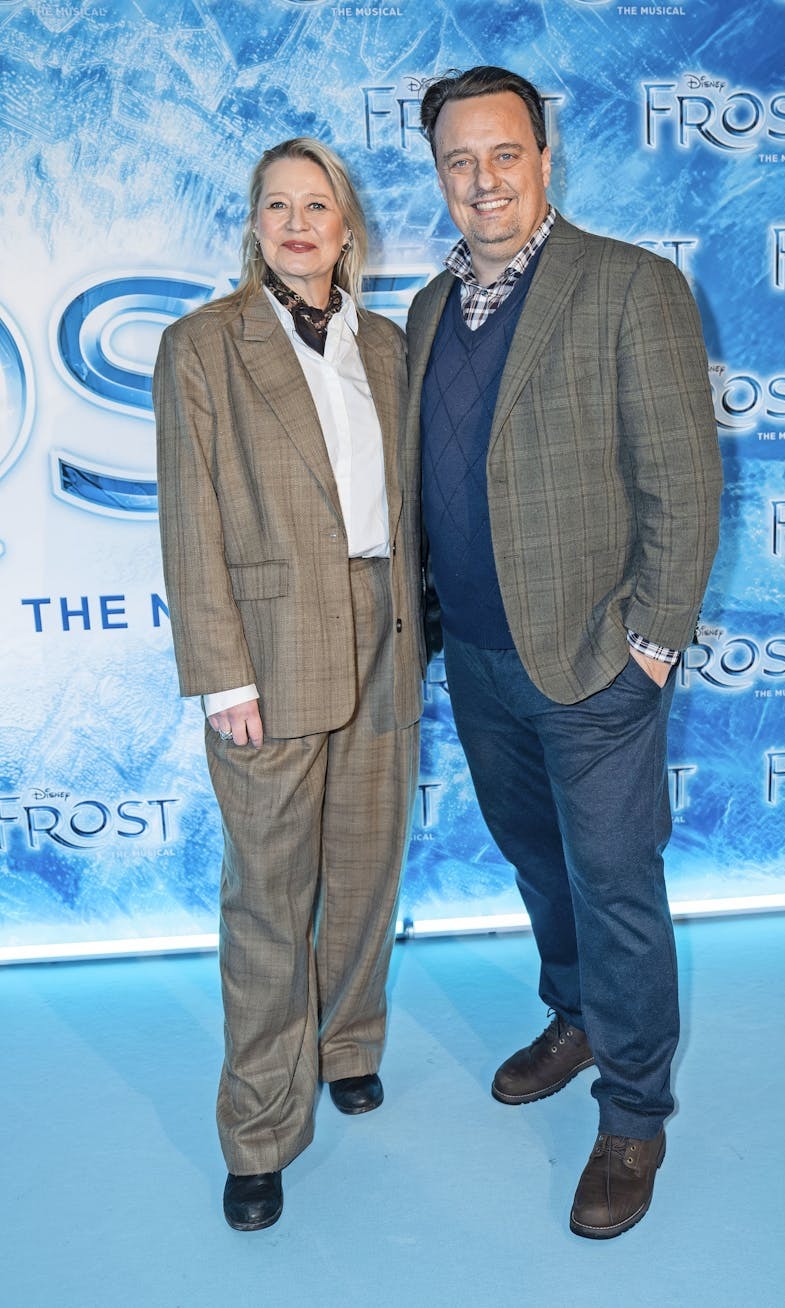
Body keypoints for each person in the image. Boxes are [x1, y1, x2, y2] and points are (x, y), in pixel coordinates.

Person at [408, 67, 722, 1239]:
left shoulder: (630, 285)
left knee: (615, 887)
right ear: (438, 175)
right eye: (458, 160)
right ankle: (578, 1015)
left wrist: (651, 647)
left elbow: (684, 482)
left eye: (504, 153)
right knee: (540, 866)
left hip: (595, 665)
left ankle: (634, 1113)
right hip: (480, 661)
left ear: (544, 159)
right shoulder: (428, 310)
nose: (482, 179)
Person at [154, 138, 424, 1232]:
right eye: (279, 206)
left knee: (365, 866)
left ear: (347, 227)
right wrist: (222, 674)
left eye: (319, 205)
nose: (299, 224)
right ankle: (260, 1130)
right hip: (267, 649)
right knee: (269, 899)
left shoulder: (389, 347)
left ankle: (347, 1044)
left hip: (384, 629)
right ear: (255, 225)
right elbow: (191, 521)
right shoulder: (202, 344)